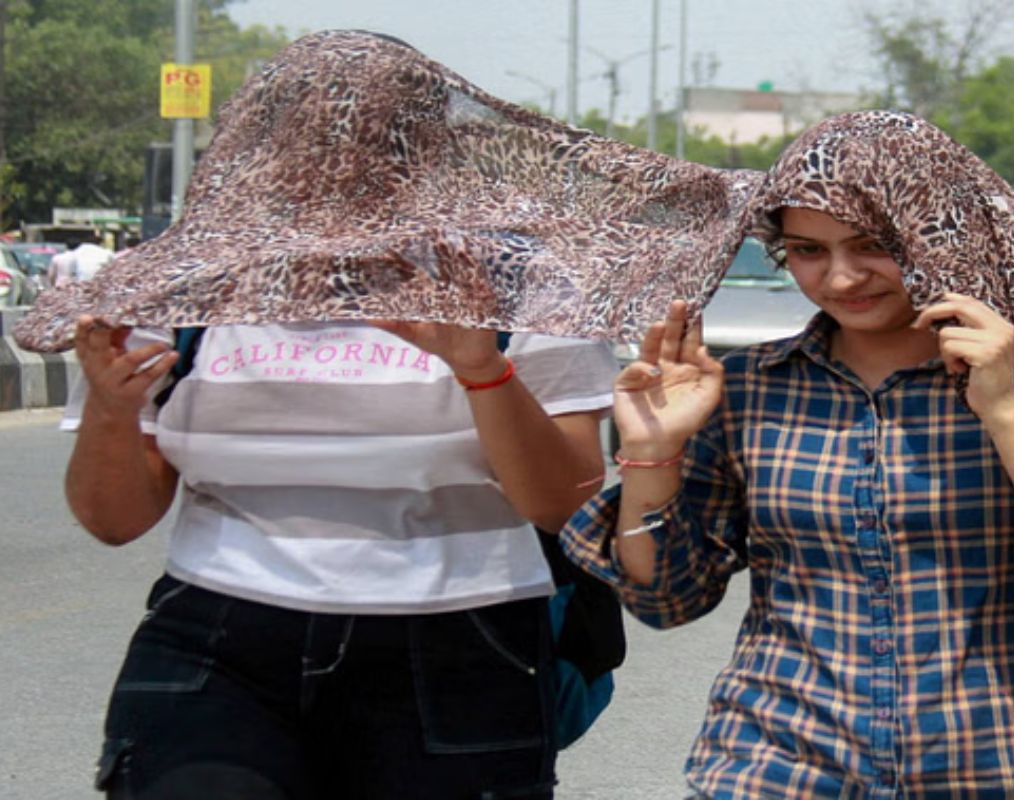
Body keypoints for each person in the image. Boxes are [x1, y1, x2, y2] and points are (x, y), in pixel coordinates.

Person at [561, 111, 1014, 798]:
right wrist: (652, 456)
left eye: (872, 244)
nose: (841, 278)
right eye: (807, 250)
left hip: (1005, 770)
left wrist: (1007, 411)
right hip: (775, 769)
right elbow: (665, 599)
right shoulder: (748, 389)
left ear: (941, 232)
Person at [66, 316, 616, 799]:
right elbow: (113, 520)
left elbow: (563, 506)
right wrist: (112, 410)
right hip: (216, 640)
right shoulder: (179, 289)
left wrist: (484, 371)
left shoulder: (523, 284)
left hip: (459, 643)